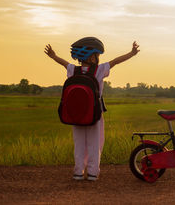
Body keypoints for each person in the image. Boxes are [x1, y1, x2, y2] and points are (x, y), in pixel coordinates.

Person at [44, 37, 139, 181]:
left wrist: (53, 56)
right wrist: (131, 53)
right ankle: (93, 173)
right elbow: (115, 61)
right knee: (95, 143)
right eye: (97, 55)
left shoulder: (73, 70)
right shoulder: (99, 70)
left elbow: (63, 63)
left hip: (76, 114)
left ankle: (78, 172)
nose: (98, 58)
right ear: (91, 56)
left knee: (79, 144)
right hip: (95, 114)